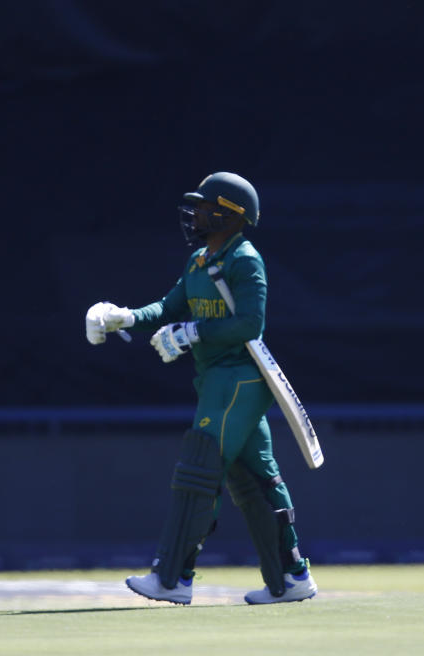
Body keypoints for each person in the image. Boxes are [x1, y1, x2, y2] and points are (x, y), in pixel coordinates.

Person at [84, 172, 318, 605]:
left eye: (206, 206)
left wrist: (193, 333)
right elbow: (169, 306)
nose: (196, 213)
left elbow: (251, 323)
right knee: (254, 480)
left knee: (200, 464)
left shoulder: (244, 259)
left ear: (230, 214)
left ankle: (174, 579)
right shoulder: (198, 260)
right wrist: (126, 316)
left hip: (241, 378)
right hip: (215, 378)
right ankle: (291, 577)